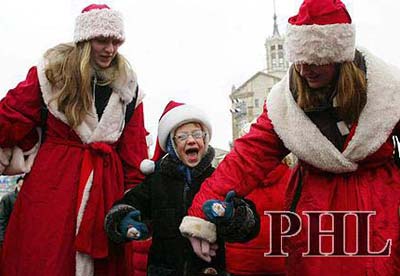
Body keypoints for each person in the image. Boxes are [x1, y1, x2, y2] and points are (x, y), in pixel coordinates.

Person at [179, 0, 400, 275]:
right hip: (314, 215)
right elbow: (247, 158)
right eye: (300, 60)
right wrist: (200, 213)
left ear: (339, 55)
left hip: (379, 211)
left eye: (315, 60)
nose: (305, 69)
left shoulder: (388, 92)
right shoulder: (285, 104)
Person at [0, 4, 149, 276]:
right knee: (48, 258)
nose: (110, 49)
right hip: (54, 186)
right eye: (102, 41)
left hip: (107, 189)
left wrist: (132, 200)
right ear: (84, 40)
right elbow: (11, 115)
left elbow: (134, 150)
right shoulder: (51, 75)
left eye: (116, 41)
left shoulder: (129, 87)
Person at [105, 101, 226, 276]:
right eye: (182, 136)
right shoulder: (156, 182)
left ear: (205, 139)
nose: (191, 140)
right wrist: (124, 221)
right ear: (172, 145)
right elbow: (124, 207)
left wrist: (233, 215)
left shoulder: (218, 178)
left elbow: (246, 226)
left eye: (196, 134)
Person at [0, 176, 24, 253]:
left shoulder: (29, 199)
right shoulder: (8, 198)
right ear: (17, 185)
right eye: (20, 186)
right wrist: (1, 238)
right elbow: (2, 219)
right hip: (9, 235)